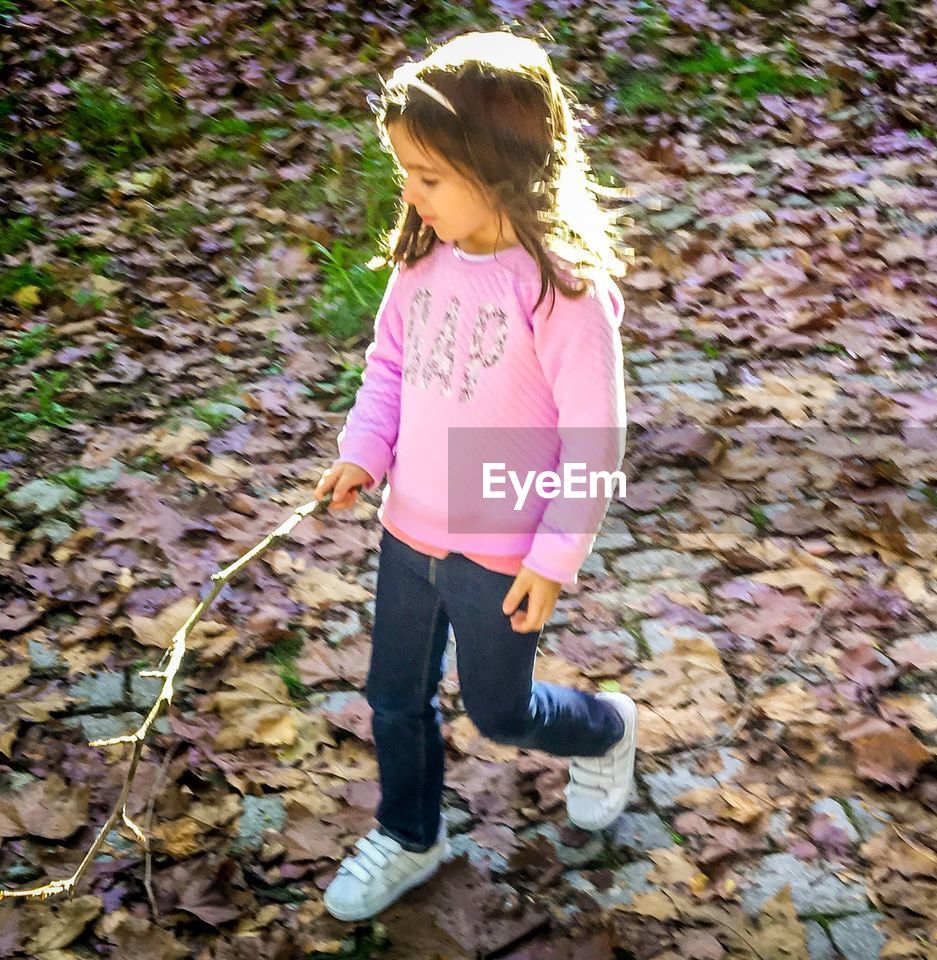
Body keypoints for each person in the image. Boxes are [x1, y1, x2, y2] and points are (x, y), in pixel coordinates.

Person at [312, 29, 637, 923]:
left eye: (426, 175)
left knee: (500, 712)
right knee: (393, 698)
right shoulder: (423, 263)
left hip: (501, 541)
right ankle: (413, 834)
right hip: (408, 527)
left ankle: (605, 727)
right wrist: (362, 453)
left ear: (497, 166)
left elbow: (594, 441)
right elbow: (387, 371)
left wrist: (554, 557)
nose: (407, 193)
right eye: (405, 172)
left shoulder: (561, 290)